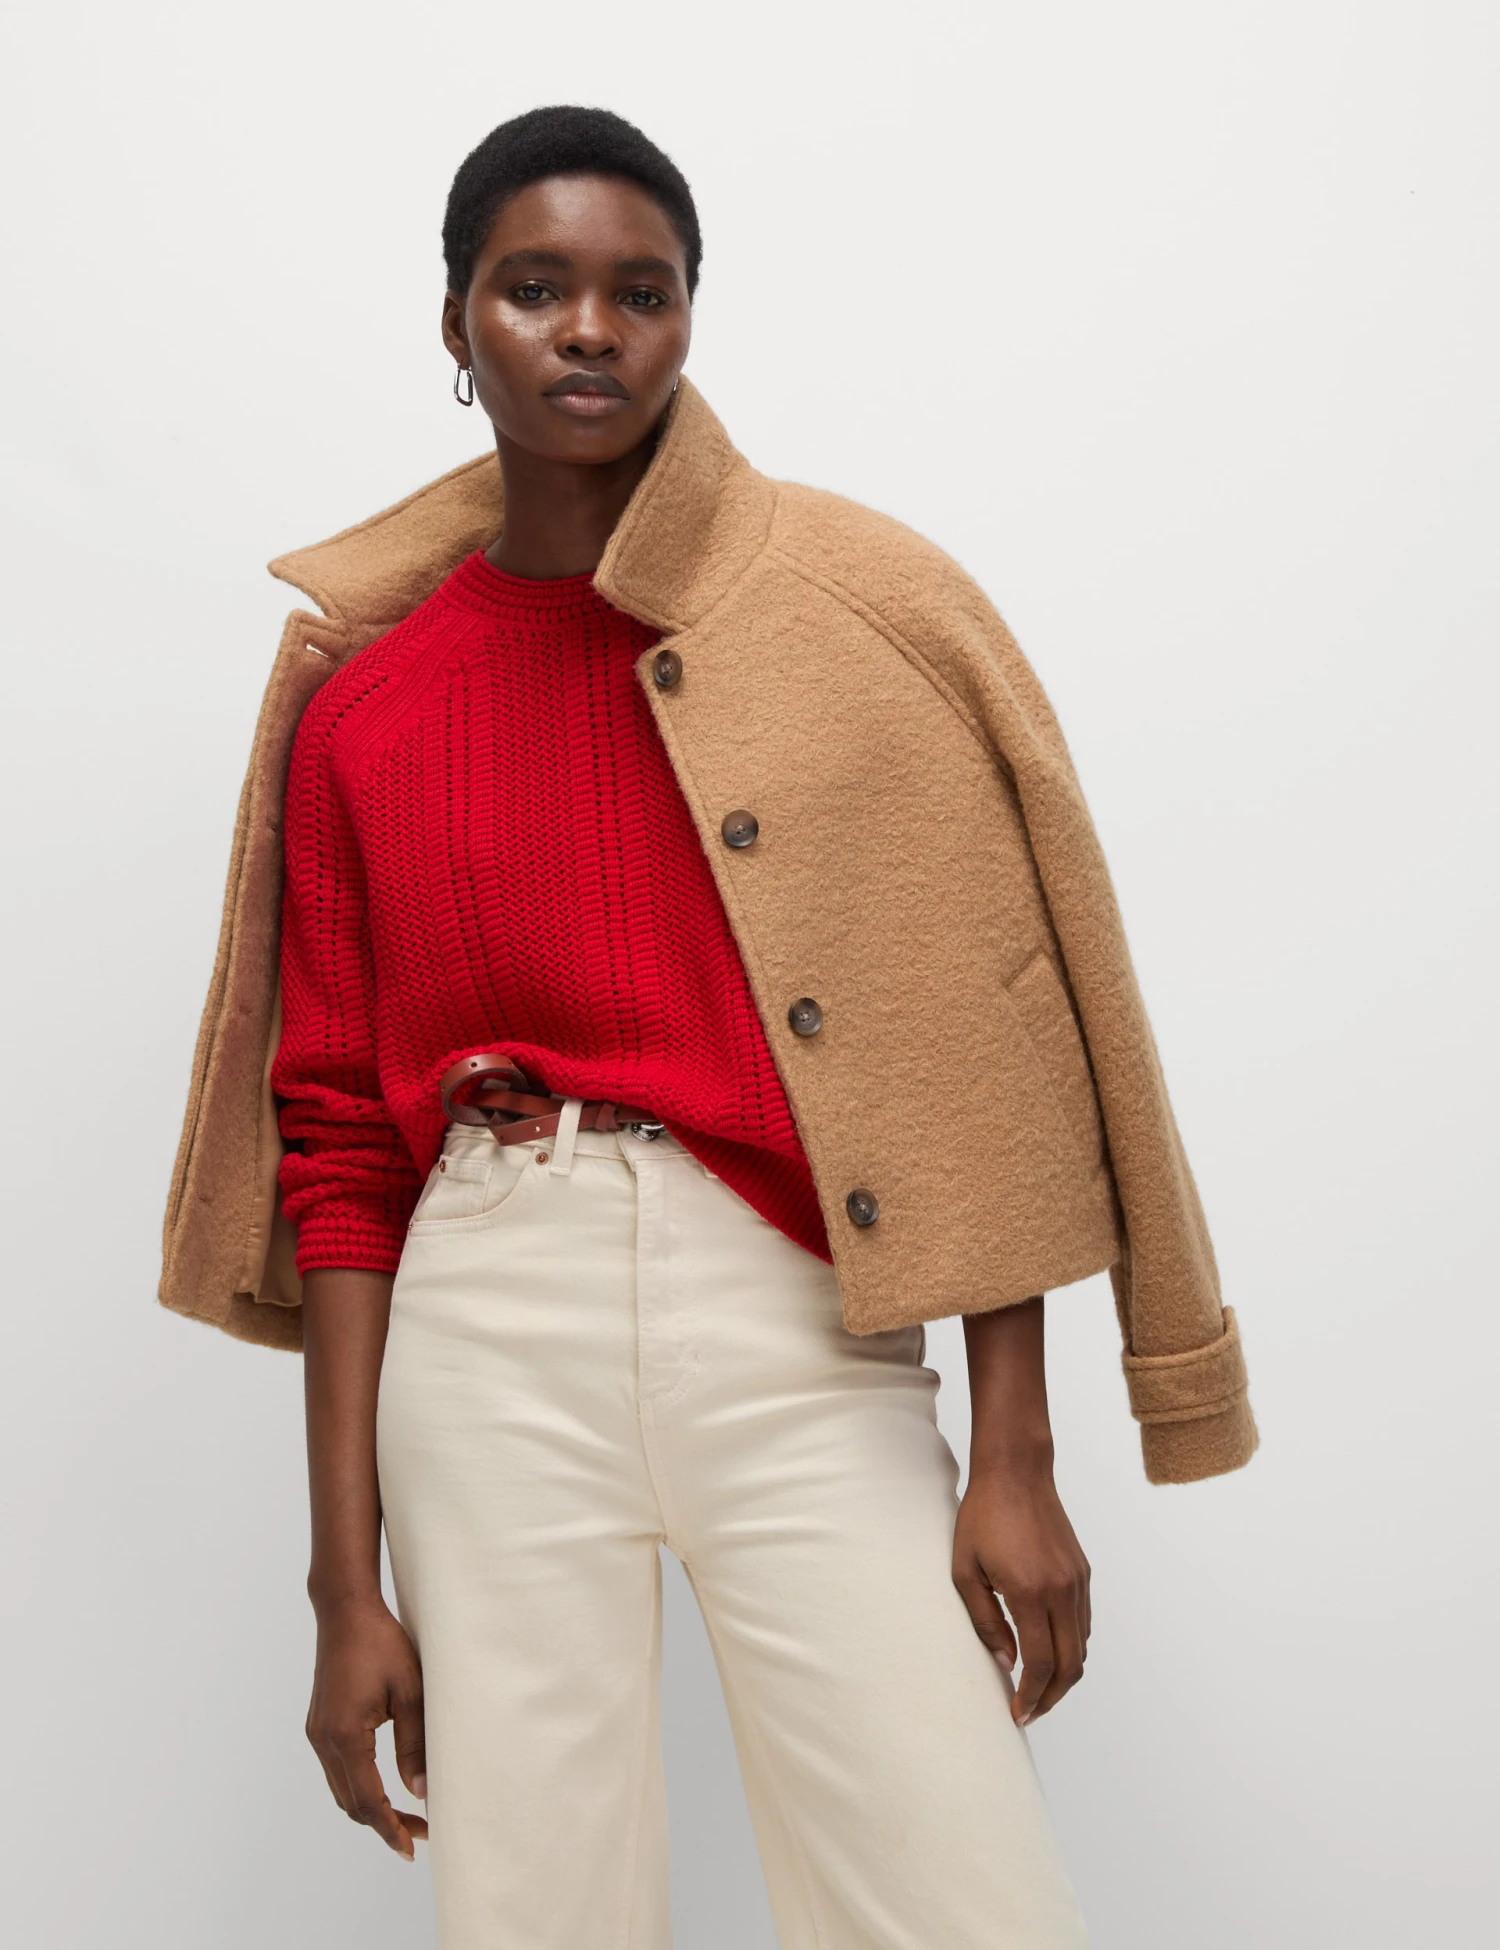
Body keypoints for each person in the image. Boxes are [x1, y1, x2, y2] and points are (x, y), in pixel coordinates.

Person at [159, 104, 1256, 1949]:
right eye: (534, 288)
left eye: (641, 291)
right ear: (456, 324)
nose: (590, 328)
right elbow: (338, 1144)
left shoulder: (852, 613)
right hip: (486, 1325)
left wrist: (1016, 1449)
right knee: (535, 1914)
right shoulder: (369, 710)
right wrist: (346, 1587)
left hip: (800, 1314)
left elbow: (969, 1052)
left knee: (964, 1901)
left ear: (688, 319)